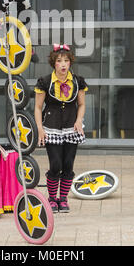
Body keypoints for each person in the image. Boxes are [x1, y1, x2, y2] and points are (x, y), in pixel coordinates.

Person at [34, 44, 88, 213]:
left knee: (68, 165)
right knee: (56, 165)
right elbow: (37, 107)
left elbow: (82, 104)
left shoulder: (78, 81)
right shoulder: (45, 82)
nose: (63, 64)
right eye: (59, 61)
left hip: (71, 128)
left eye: (66, 61)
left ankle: (63, 199)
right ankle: (52, 198)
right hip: (52, 127)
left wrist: (79, 120)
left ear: (70, 63)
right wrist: (40, 129)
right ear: (54, 63)